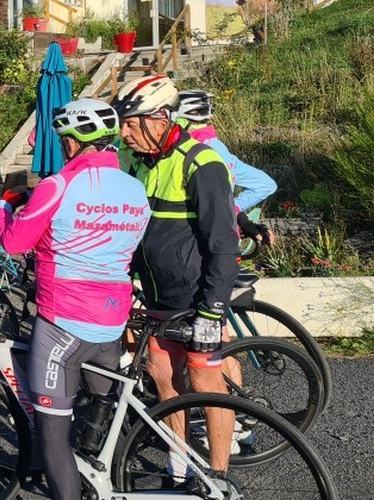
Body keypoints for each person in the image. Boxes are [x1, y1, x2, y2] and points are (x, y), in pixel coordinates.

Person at [0, 99, 149, 500]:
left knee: (52, 435)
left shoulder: (57, 185)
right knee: (100, 406)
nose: (63, 146)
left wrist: (1, 208)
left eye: (65, 140)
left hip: (63, 321)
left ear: (74, 143)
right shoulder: (136, 189)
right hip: (112, 321)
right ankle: (100, 470)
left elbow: (13, 243)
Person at [113, 75, 239, 487]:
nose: (124, 132)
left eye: (131, 123)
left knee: (206, 385)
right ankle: (179, 467)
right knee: (164, 379)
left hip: (194, 297)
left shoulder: (201, 163)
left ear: (161, 118)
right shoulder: (136, 160)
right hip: (154, 295)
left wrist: (212, 309)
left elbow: (223, 245)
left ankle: (218, 474)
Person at [178, 90, 276, 246]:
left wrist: (232, 209)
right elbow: (266, 184)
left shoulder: (190, 151)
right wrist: (235, 207)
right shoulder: (217, 146)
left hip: (198, 235)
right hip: (225, 233)